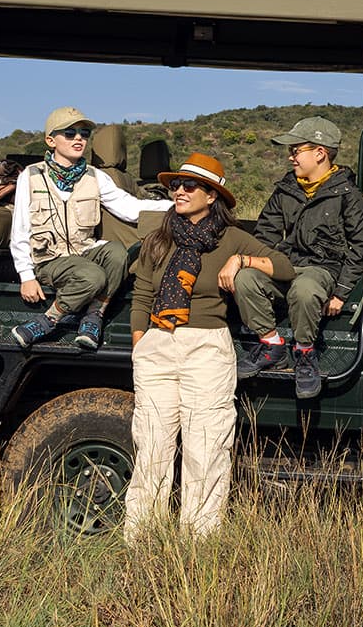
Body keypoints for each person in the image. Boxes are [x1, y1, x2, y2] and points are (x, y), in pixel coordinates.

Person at [125, 153, 292, 542]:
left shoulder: (231, 238)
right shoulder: (159, 239)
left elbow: (284, 268)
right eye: (175, 186)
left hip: (206, 347)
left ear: (212, 195)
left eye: (189, 186)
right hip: (157, 345)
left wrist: (240, 260)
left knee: (206, 445)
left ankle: (199, 543)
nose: (179, 191)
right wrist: (142, 344)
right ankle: (139, 539)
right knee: (151, 445)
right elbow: (143, 294)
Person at [8, 106, 171, 352]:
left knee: (117, 253)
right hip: (50, 259)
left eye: (84, 134)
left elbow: (128, 208)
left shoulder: (95, 176)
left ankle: (94, 316)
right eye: (70, 133)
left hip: (84, 251)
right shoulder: (31, 176)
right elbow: (19, 231)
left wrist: (175, 205)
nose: (79, 139)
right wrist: (26, 276)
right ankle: (50, 319)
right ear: (50, 140)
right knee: (93, 276)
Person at [232, 115, 363, 400]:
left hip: (323, 268)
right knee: (244, 278)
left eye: (296, 150)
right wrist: (254, 262)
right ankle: (271, 344)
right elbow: (265, 234)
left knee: (305, 290)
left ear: (320, 153)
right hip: (286, 264)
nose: (290, 157)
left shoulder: (348, 195)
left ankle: (305, 353)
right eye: (290, 151)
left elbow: (358, 248)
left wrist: (340, 293)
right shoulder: (286, 189)